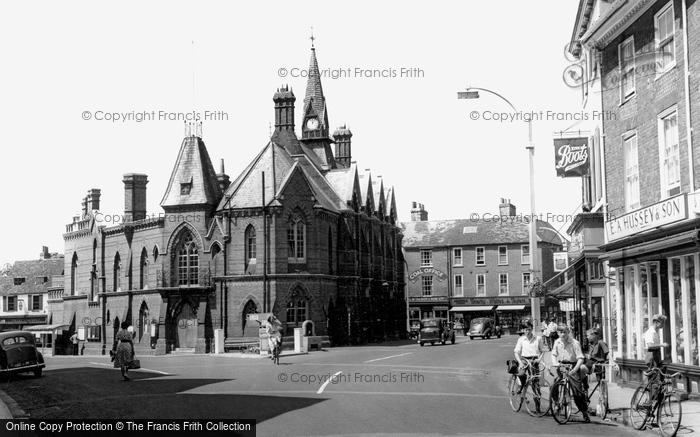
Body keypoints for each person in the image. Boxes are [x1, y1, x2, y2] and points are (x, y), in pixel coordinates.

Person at [551, 323, 591, 423]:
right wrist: (555, 363)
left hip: (573, 365)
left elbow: (581, 358)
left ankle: (585, 413)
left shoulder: (574, 343)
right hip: (562, 366)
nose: (563, 334)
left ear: (568, 332)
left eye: (565, 332)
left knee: (577, 391)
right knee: (554, 386)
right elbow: (553, 354)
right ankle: (557, 403)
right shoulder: (557, 342)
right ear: (557, 333)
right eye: (560, 332)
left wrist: (576, 368)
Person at [513, 319, 547, 395]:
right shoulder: (521, 339)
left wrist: (539, 359)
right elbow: (516, 352)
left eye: (529, 330)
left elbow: (543, 350)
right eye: (525, 330)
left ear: (532, 329)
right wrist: (520, 363)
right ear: (523, 330)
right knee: (521, 374)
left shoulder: (538, 339)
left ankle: (537, 398)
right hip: (524, 359)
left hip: (534, 360)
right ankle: (521, 387)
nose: (527, 332)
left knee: (535, 381)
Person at [643, 314, 669, 402]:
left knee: (661, 373)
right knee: (654, 379)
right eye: (662, 323)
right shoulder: (650, 332)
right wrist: (662, 345)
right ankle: (651, 400)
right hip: (652, 356)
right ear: (656, 322)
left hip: (657, 355)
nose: (663, 325)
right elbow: (650, 345)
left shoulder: (655, 332)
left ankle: (656, 397)